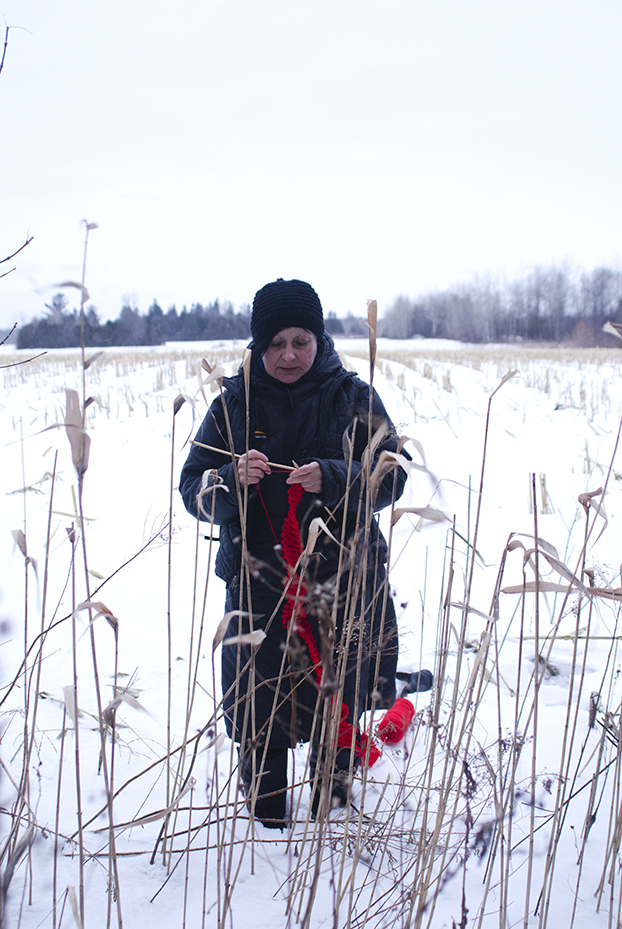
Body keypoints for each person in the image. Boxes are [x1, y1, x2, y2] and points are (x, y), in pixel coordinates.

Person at [179, 278, 408, 828]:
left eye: (299, 341)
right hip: (258, 585)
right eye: (275, 343)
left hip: (343, 580)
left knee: (339, 700)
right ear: (258, 346)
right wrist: (228, 479)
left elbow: (394, 478)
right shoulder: (233, 406)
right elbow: (193, 491)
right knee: (262, 706)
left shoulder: (352, 396)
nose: (287, 355)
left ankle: (332, 823)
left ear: (318, 338)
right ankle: (266, 825)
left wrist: (333, 478)